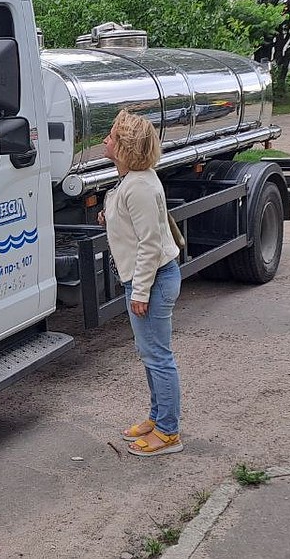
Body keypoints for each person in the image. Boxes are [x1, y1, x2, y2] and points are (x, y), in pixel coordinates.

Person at [96, 110, 184, 457]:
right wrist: (110, 215)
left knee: (159, 357)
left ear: (126, 146)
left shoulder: (140, 186)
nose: (106, 140)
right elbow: (134, 225)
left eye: (112, 136)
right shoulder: (133, 179)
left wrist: (141, 292)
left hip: (153, 280)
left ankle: (168, 432)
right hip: (146, 279)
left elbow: (149, 244)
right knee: (149, 354)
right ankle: (156, 417)